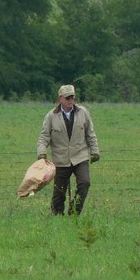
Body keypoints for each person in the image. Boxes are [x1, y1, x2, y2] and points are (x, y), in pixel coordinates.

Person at [37, 84, 100, 215]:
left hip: (80, 156)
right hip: (60, 159)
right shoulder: (51, 116)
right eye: (68, 98)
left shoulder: (83, 112)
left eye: (73, 97)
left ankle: (75, 212)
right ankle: (57, 216)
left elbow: (90, 133)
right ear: (60, 99)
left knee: (85, 183)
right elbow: (44, 137)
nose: (71, 100)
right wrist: (42, 153)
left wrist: (94, 151)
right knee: (59, 191)